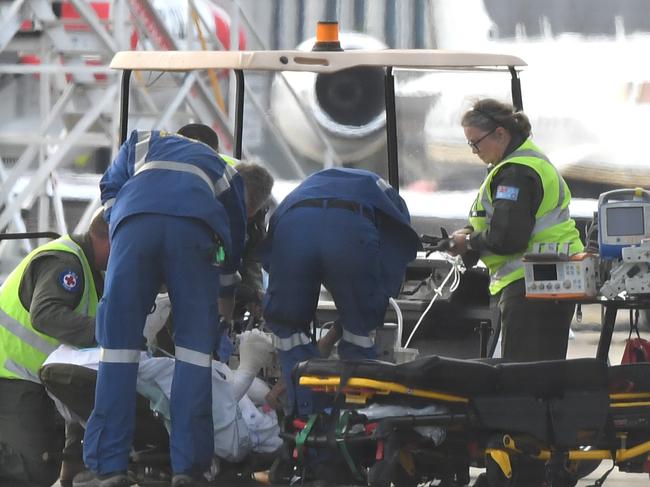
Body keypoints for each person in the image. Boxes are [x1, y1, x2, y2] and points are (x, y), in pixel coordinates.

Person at [77, 124, 248, 487]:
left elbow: (109, 189)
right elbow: (234, 243)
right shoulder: (224, 169)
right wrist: (225, 294)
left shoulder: (141, 140)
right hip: (195, 235)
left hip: (133, 227)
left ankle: (109, 468)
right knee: (193, 355)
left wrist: (128, 228)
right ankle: (189, 469)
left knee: (119, 350)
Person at [259, 167, 421, 418]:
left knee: (289, 333)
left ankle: (304, 421)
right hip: (350, 232)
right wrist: (362, 313)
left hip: (293, 227)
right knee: (359, 336)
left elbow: (272, 263)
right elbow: (392, 263)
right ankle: (353, 419)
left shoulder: (304, 187)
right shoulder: (386, 197)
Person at [448, 98, 584, 362]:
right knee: (540, 375)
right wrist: (469, 232)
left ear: (500, 134)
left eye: (475, 142)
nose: (473, 150)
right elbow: (501, 220)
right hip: (544, 282)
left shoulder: (516, 173)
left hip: (531, 285)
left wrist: (469, 243)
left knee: (522, 378)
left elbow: (508, 237)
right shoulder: (521, 164)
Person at [0, 210, 109, 487]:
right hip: (12, 373)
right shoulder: (66, 263)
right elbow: (45, 314)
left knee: (44, 466)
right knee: (30, 470)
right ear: (109, 240)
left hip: (35, 377)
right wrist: (108, 331)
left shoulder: (90, 271)